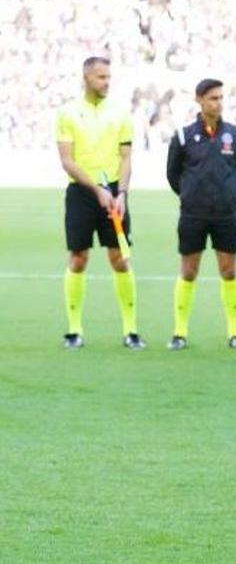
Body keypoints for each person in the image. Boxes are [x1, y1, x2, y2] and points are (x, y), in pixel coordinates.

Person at [55, 56, 143, 350]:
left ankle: (131, 331)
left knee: (121, 259)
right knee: (78, 257)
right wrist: (97, 190)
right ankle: (74, 330)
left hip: (115, 194)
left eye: (108, 77)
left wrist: (122, 194)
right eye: (101, 77)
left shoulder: (120, 113)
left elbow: (127, 157)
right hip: (81, 193)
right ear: (86, 78)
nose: (106, 82)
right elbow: (67, 161)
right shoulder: (67, 113)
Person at [165, 78, 236, 351]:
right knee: (188, 271)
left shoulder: (235, 135)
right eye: (213, 98)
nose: (218, 103)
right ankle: (179, 332)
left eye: (221, 97)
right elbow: (173, 175)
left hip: (225, 215)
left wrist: (232, 193)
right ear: (199, 100)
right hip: (193, 215)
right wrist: (191, 195)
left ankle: (235, 332)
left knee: (229, 270)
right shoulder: (184, 135)